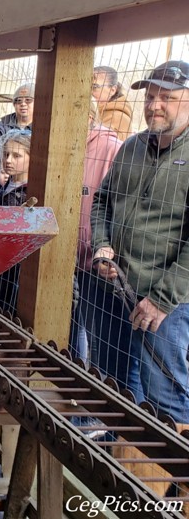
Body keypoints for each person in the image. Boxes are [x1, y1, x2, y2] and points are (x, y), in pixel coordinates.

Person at [90, 60, 189, 424]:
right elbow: (102, 200)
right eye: (149, 96)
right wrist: (102, 244)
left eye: (167, 97)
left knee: (166, 401)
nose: (154, 105)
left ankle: (175, 478)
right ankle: (120, 474)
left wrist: (162, 300)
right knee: (114, 391)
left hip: (167, 304)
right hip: (116, 288)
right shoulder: (132, 146)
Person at [71, 101, 123, 363]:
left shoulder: (111, 147)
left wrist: (101, 244)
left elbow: (109, 203)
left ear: (89, 116)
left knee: (97, 333)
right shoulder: (66, 143)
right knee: (75, 325)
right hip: (70, 254)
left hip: (96, 258)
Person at [0, 129, 31, 316]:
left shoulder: (28, 192)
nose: (8, 160)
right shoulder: (7, 185)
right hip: (1, 260)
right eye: (6, 154)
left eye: (17, 156)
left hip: (17, 267)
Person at [92, 65, 133, 140]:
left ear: (112, 90)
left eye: (95, 87)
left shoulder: (117, 118)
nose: (90, 92)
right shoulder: (100, 111)